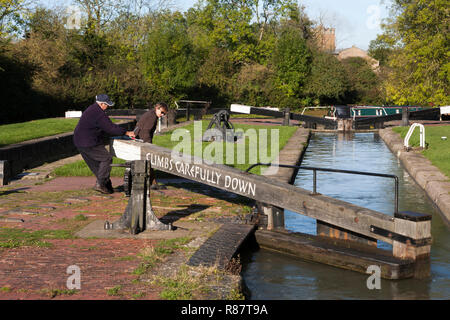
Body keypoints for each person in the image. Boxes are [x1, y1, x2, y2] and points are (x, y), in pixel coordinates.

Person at [73, 94, 135, 194]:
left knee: (97, 166)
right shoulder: (99, 113)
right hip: (89, 142)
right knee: (106, 159)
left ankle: (107, 187)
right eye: (107, 105)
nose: (108, 107)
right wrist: (126, 132)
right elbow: (110, 128)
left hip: (79, 141)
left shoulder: (92, 109)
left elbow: (103, 127)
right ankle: (100, 184)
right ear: (101, 104)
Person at [134, 102, 168, 189]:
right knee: (148, 161)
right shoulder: (152, 116)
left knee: (147, 162)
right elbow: (146, 131)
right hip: (142, 140)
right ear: (157, 108)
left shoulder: (151, 114)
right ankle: (151, 183)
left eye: (164, 113)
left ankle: (152, 182)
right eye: (162, 112)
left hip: (140, 138)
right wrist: (149, 145)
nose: (162, 115)